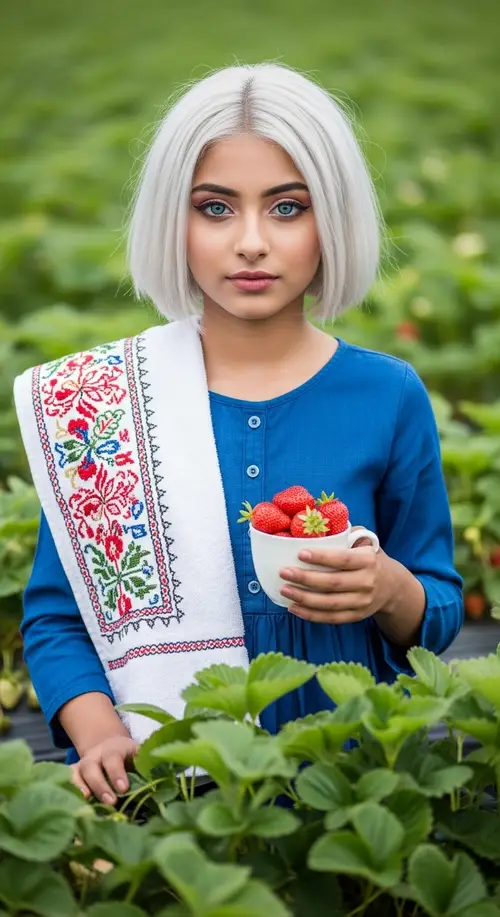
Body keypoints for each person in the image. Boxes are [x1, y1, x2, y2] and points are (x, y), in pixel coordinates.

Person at [16, 62, 463, 808]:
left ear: (334, 218)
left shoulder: (387, 396)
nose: (251, 241)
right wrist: (100, 736)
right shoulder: (102, 406)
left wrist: (389, 589)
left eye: (288, 208)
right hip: (174, 785)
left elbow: (440, 603)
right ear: (173, 220)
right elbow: (58, 617)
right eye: (215, 209)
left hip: (350, 782)